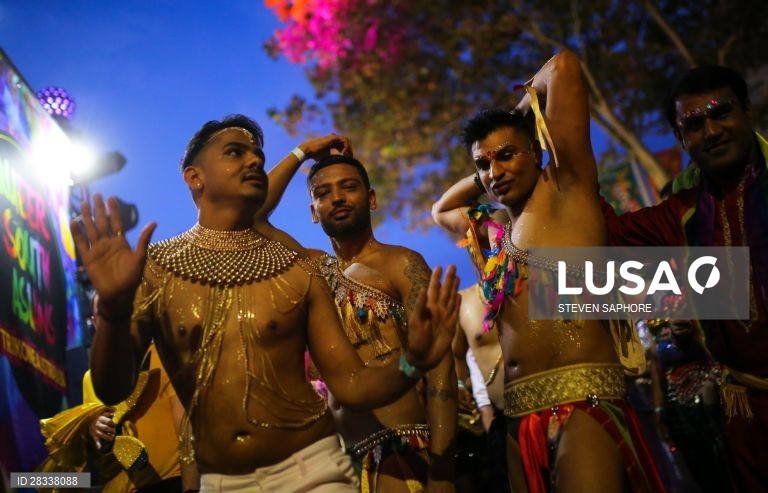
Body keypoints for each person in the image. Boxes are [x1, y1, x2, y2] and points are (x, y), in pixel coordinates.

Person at [70, 115, 460, 492]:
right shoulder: (155, 270)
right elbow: (111, 389)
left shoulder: (298, 268)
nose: (255, 159)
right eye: (235, 152)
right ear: (194, 176)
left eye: (257, 153)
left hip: (316, 470)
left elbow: (352, 384)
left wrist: (412, 362)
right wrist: (113, 310)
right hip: (215, 482)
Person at [433, 50, 664, 492]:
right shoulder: (497, 231)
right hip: (518, 420)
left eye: (506, 157)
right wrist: (495, 159)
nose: (494, 172)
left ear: (538, 151)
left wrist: (522, 117)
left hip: (582, 401)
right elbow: (441, 209)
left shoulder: (568, 192)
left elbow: (564, 67)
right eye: (483, 164)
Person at [601, 64, 768, 491]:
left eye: (721, 112)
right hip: (746, 415)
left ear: (747, 112)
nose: (711, 131)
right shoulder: (682, 214)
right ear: (681, 139)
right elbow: (605, 235)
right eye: (694, 124)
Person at [260, 151, 458, 492]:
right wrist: (302, 151)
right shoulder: (312, 270)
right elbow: (252, 216)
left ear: (371, 198)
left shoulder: (401, 263)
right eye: (322, 193)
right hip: (336, 465)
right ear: (312, 211)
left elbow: (440, 365)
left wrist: (442, 469)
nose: (336, 197)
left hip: (402, 451)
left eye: (348, 187)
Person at [36, 343, 199, 493]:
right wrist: (95, 429)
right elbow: (98, 457)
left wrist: (192, 487)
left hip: (172, 482)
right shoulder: (91, 379)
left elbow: (188, 427)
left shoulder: (163, 355)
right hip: (121, 487)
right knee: (29, 480)